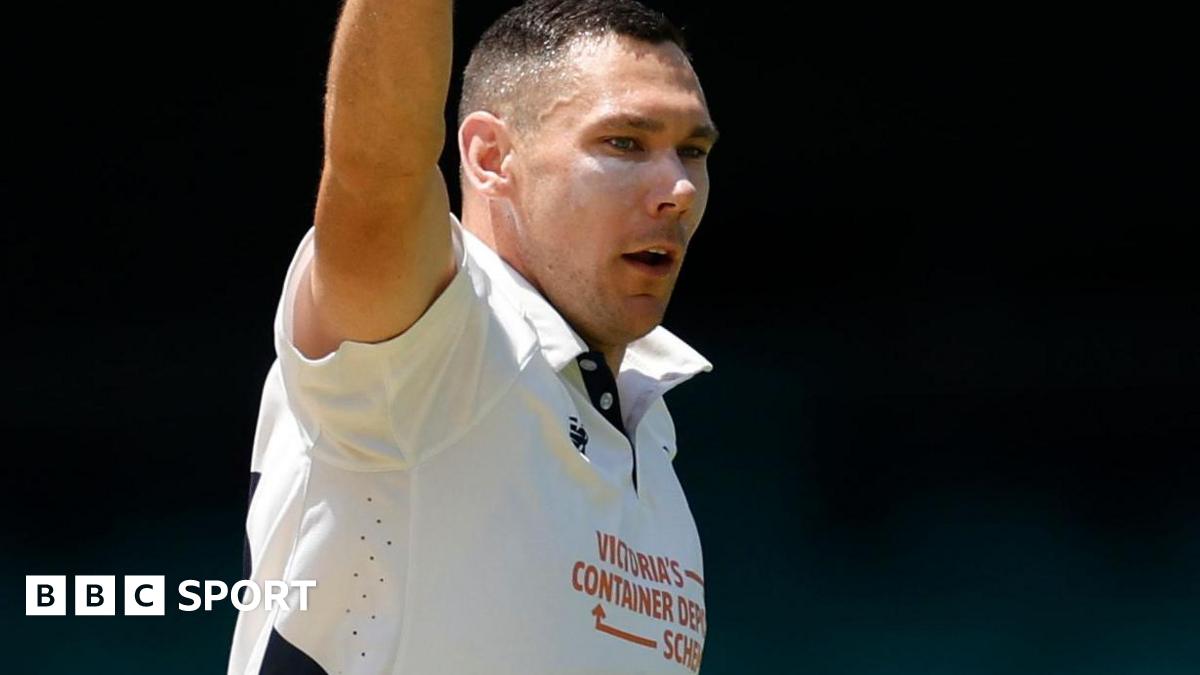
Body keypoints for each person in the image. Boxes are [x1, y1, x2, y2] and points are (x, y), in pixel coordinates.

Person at [228, 0, 718, 672]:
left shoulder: (648, 425)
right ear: (491, 157)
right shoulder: (436, 345)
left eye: (693, 150)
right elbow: (377, 167)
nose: (681, 188)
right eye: (625, 143)